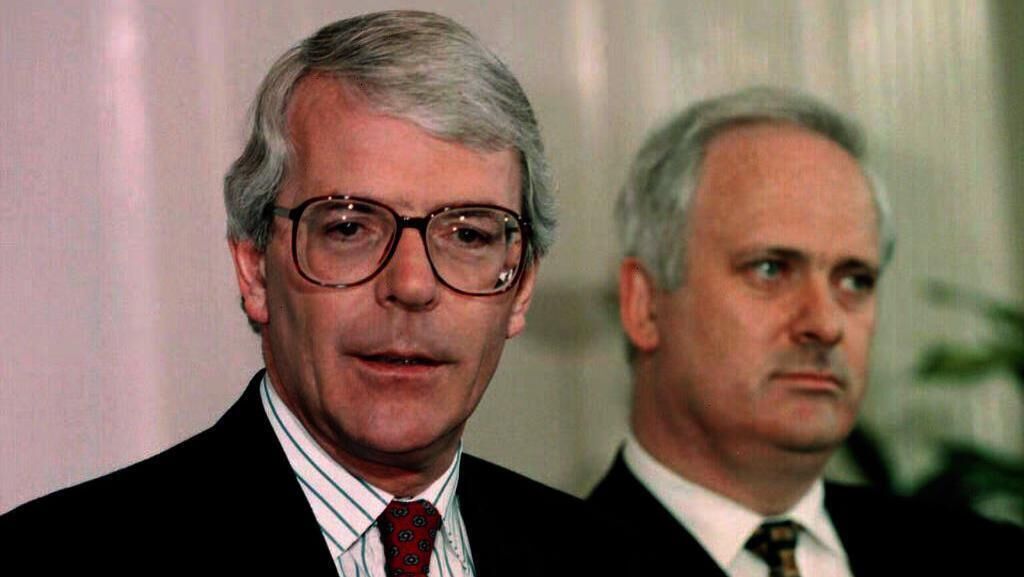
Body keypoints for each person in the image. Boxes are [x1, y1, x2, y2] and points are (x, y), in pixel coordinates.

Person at [2, 11, 604, 575]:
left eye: (468, 233)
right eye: (349, 228)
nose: (413, 285)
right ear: (255, 270)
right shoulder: (60, 557)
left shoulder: (614, 562)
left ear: (520, 287)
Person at [587, 86, 1023, 576]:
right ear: (644, 305)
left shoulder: (986, 558)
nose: (825, 323)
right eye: (771, 269)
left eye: (854, 280)